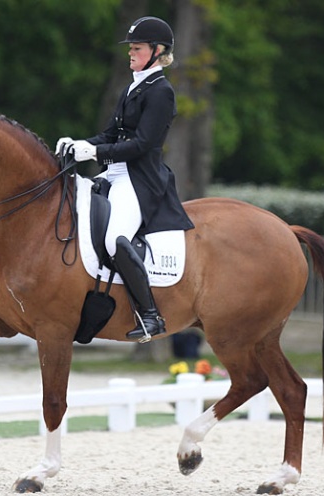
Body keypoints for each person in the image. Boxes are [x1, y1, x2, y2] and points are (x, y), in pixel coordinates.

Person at [57, 16, 194, 342]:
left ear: (157, 51)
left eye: (137, 48)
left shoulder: (161, 92)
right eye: (131, 48)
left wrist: (95, 154)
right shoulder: (134, 85)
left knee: (115, 237)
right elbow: (110, 133)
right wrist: (82, 144)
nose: (130, 53)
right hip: (113, 175)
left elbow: (143, 144)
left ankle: (150, 315)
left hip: (139, 180)